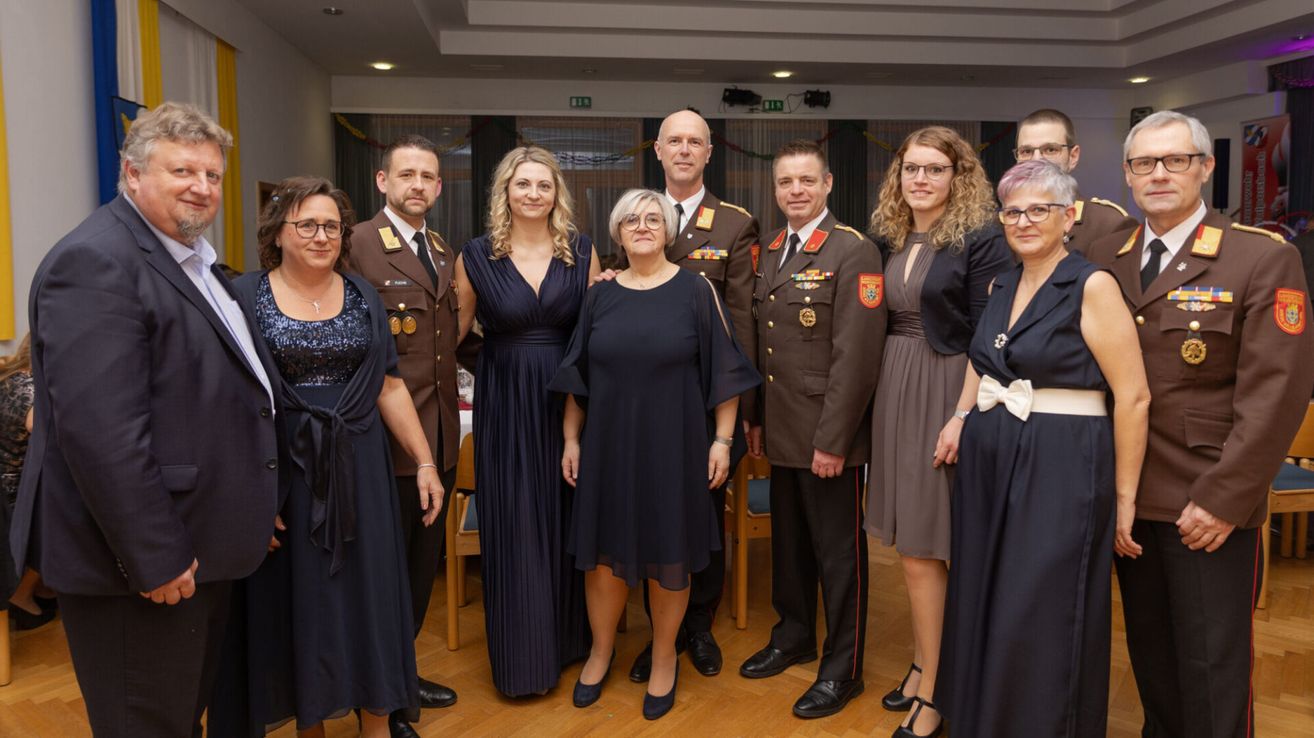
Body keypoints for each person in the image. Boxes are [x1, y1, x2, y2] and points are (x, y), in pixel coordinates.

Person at [10, 101, 281, 737]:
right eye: (182, 170)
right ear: (132, 175)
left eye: (213, 175)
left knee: (176, 718)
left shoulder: (192, 260)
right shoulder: (98, 262)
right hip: (142, 565)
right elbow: (103, 434)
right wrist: (154, 556)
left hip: (195, 546)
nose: (202, 187)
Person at [1086, 110, 1314, 738]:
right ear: (1128, 175)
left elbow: (1277, 393)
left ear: (1206, 167)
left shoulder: (1259, 258)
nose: (1158, 174)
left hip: (1203, 500)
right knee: (1152, 658)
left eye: (1175, 160)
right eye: (1143, 163)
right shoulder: (1107, 255)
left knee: (1210, 668)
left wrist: (1224, 499)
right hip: (1127, 497)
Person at [213, 176, 439, 738]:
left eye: (332, 226)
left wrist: (426, 461)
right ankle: (307, 724)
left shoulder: (362, 294)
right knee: (299, 604)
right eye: (306, 225)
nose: (321, 236)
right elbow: (230, 404)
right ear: (278, 233)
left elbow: (388, 385)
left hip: (361, 470)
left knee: (372, 600)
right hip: (284, 474)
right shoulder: (243, 297)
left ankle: (378, 721)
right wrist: (251, 499)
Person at [936, 160, 1151, 737]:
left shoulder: (1092, 285)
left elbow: (1132, 397)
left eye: (1040, 209)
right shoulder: (1001, 283)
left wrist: (1125, 497)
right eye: (1013, 211)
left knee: (1041, 604)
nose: (1025, 221)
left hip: (1061, 462)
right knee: (987, 592)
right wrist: (959, 418)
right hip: (991, 455)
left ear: (1069, 216)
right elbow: (983, 367)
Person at [550, 189, 760, 719]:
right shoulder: (599, 295)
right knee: (602, 556)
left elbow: (726, 372)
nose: (642, 227)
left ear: (668, 232)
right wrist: (572, 440)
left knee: (670, 554)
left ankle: (665, 655)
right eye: (630, 221)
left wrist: (722, 440)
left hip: (677, 444)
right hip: (608, 443)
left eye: (653, 219)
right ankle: (601, 653)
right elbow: (579, 377)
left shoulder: (696, 291)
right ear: (617, 233)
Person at [864, 125, 1013, 738]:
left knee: (928, 545)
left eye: (935, 169)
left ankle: (937, 689)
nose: (920, 179)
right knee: (908, 541)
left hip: (947, 385)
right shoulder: (893, 234)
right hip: (894, 383)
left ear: (960, 177)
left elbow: (991, 333)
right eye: (911, 169)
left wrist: (961, 414)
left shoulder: (981, 239)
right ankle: (927, 659)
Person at [739, 139, 887, 719]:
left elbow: (857, 357)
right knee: (791, 547)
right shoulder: (771, 249)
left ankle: (842, 667)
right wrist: (754, 418)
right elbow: (762, 344)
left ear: (828, 184)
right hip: (780, 430)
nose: (795, 191)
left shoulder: (855, 251)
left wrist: (836, 440)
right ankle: (793, 634)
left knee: (839, 556)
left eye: (806, 180)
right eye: (784, 183)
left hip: (829, 438)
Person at [454, 145, 600, 697]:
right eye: (523, 184)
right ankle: (522, 663)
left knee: (567, 519)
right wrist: (494, 367)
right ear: (505, 193)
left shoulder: (582, 252)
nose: (534, 194)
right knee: (515, 522)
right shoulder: (475, 256)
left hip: (570, 402)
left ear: (557, 193)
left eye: (544, 185)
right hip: (506, 402)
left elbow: (596, 334)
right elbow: (456, 336)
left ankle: (570, 646)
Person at [622, 108, 761, 682]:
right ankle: (660, 634)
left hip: (705, 400)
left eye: (694, 142)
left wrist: (742, 416)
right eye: (673, 140)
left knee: (702, 514)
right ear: (657, 150)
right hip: (644, 396)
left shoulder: (734, 224)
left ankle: (697, 624)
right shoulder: (636, 214)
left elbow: (745, 323)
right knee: (649, 511)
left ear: (709, 153)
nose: (683, 150)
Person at [347, 134, 466, 737]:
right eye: (407, 175)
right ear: (382, 182)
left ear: (439, 188)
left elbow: (449, 343)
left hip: (437, 440)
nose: (418, 184)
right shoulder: (357, 246)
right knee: (385, 574)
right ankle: (383, 697)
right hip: (385, 443)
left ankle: (403, 670)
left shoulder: (441, 250)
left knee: (420, 570)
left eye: (428, 177)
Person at [1014, 109, 1138, 255]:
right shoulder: (1005, 224)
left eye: (1050, 150)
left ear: (1073, 157)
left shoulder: (1109, 224)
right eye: (1026, 151)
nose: (1036, 160)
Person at [0, 334, 54, 631]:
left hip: (4, 488)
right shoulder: (30, 391)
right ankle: (21, 594)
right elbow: (41, 429)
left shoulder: (8, 375)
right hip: (12, 495)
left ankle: (45, 586)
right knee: (63, 516)